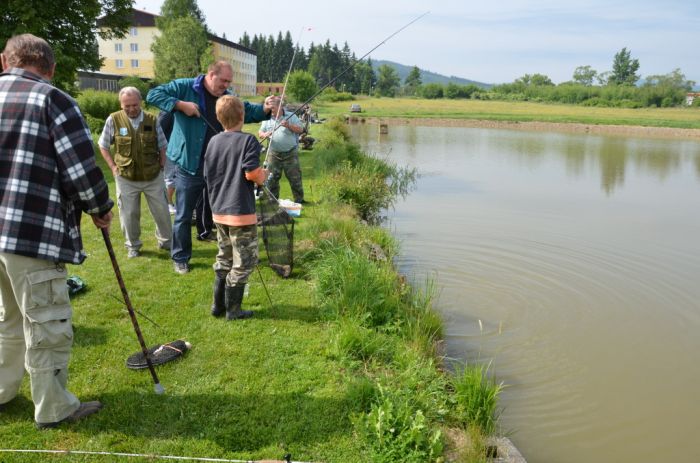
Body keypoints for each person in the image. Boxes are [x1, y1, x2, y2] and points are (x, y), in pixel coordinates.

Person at [0, 34, 114, 428]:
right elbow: (81, 169)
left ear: (5, 61)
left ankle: (2, 390)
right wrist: (100, 207)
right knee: (46, 322)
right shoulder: (53, 99)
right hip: (29, 232)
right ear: (50, 69)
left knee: (7, 318)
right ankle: (54, 407)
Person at [146, 60, 279, 274]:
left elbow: (245, 110)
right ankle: (180, 257)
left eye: (229, 81)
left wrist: (265, 108)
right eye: (223, 80)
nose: (226, 85)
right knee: (183, 213)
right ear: (210, 74)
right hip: (190, 164)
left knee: (221, 210)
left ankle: (226, 253)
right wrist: (181, 105)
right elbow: (153, 95)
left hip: (219, 165)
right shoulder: (184, 86)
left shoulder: (227, 94)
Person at [204, 96, 267, 320]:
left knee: (224, 257)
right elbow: (251, 172)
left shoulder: (213, 141)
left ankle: (217, 306)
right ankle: (233, 310)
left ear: (219, 118)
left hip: (219, 211)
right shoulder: (249, 141)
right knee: (244, 261)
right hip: (240, 213)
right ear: (242, 116)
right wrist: (263, 176)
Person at [98, 87, 172, 258]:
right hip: (125, 177)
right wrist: (113, 167)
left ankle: (167, 242)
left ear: (141, 103)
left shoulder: (152, 119)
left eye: (135, 105)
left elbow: (162, 145)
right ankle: (133, 246)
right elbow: (103, 145)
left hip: (153, 175)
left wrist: (162, 164)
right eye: (127, 106)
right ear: (121, 105)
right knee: (129, 214)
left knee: (162, 211)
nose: (131, 109)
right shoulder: (113, 119)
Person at [259, 100, 306, 203]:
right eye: (270, 108)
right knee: (271, 179)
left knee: (295, 178)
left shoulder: (291, 116)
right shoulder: (266, 118)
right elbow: (260, 132)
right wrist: (265, 134)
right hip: (273, 153)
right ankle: (273, 200)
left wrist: (288, 125)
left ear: (280, 107)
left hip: (290, 153)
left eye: (273, 108)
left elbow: (300, 130)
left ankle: (299, 200)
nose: (271, 110)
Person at [157, 110, 177, 215]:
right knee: (170, 178)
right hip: (169, 150)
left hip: (177, 150)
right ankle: (168, 204)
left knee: (176, 178)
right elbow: (158, 130)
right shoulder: (166, 112)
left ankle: (172, 203)